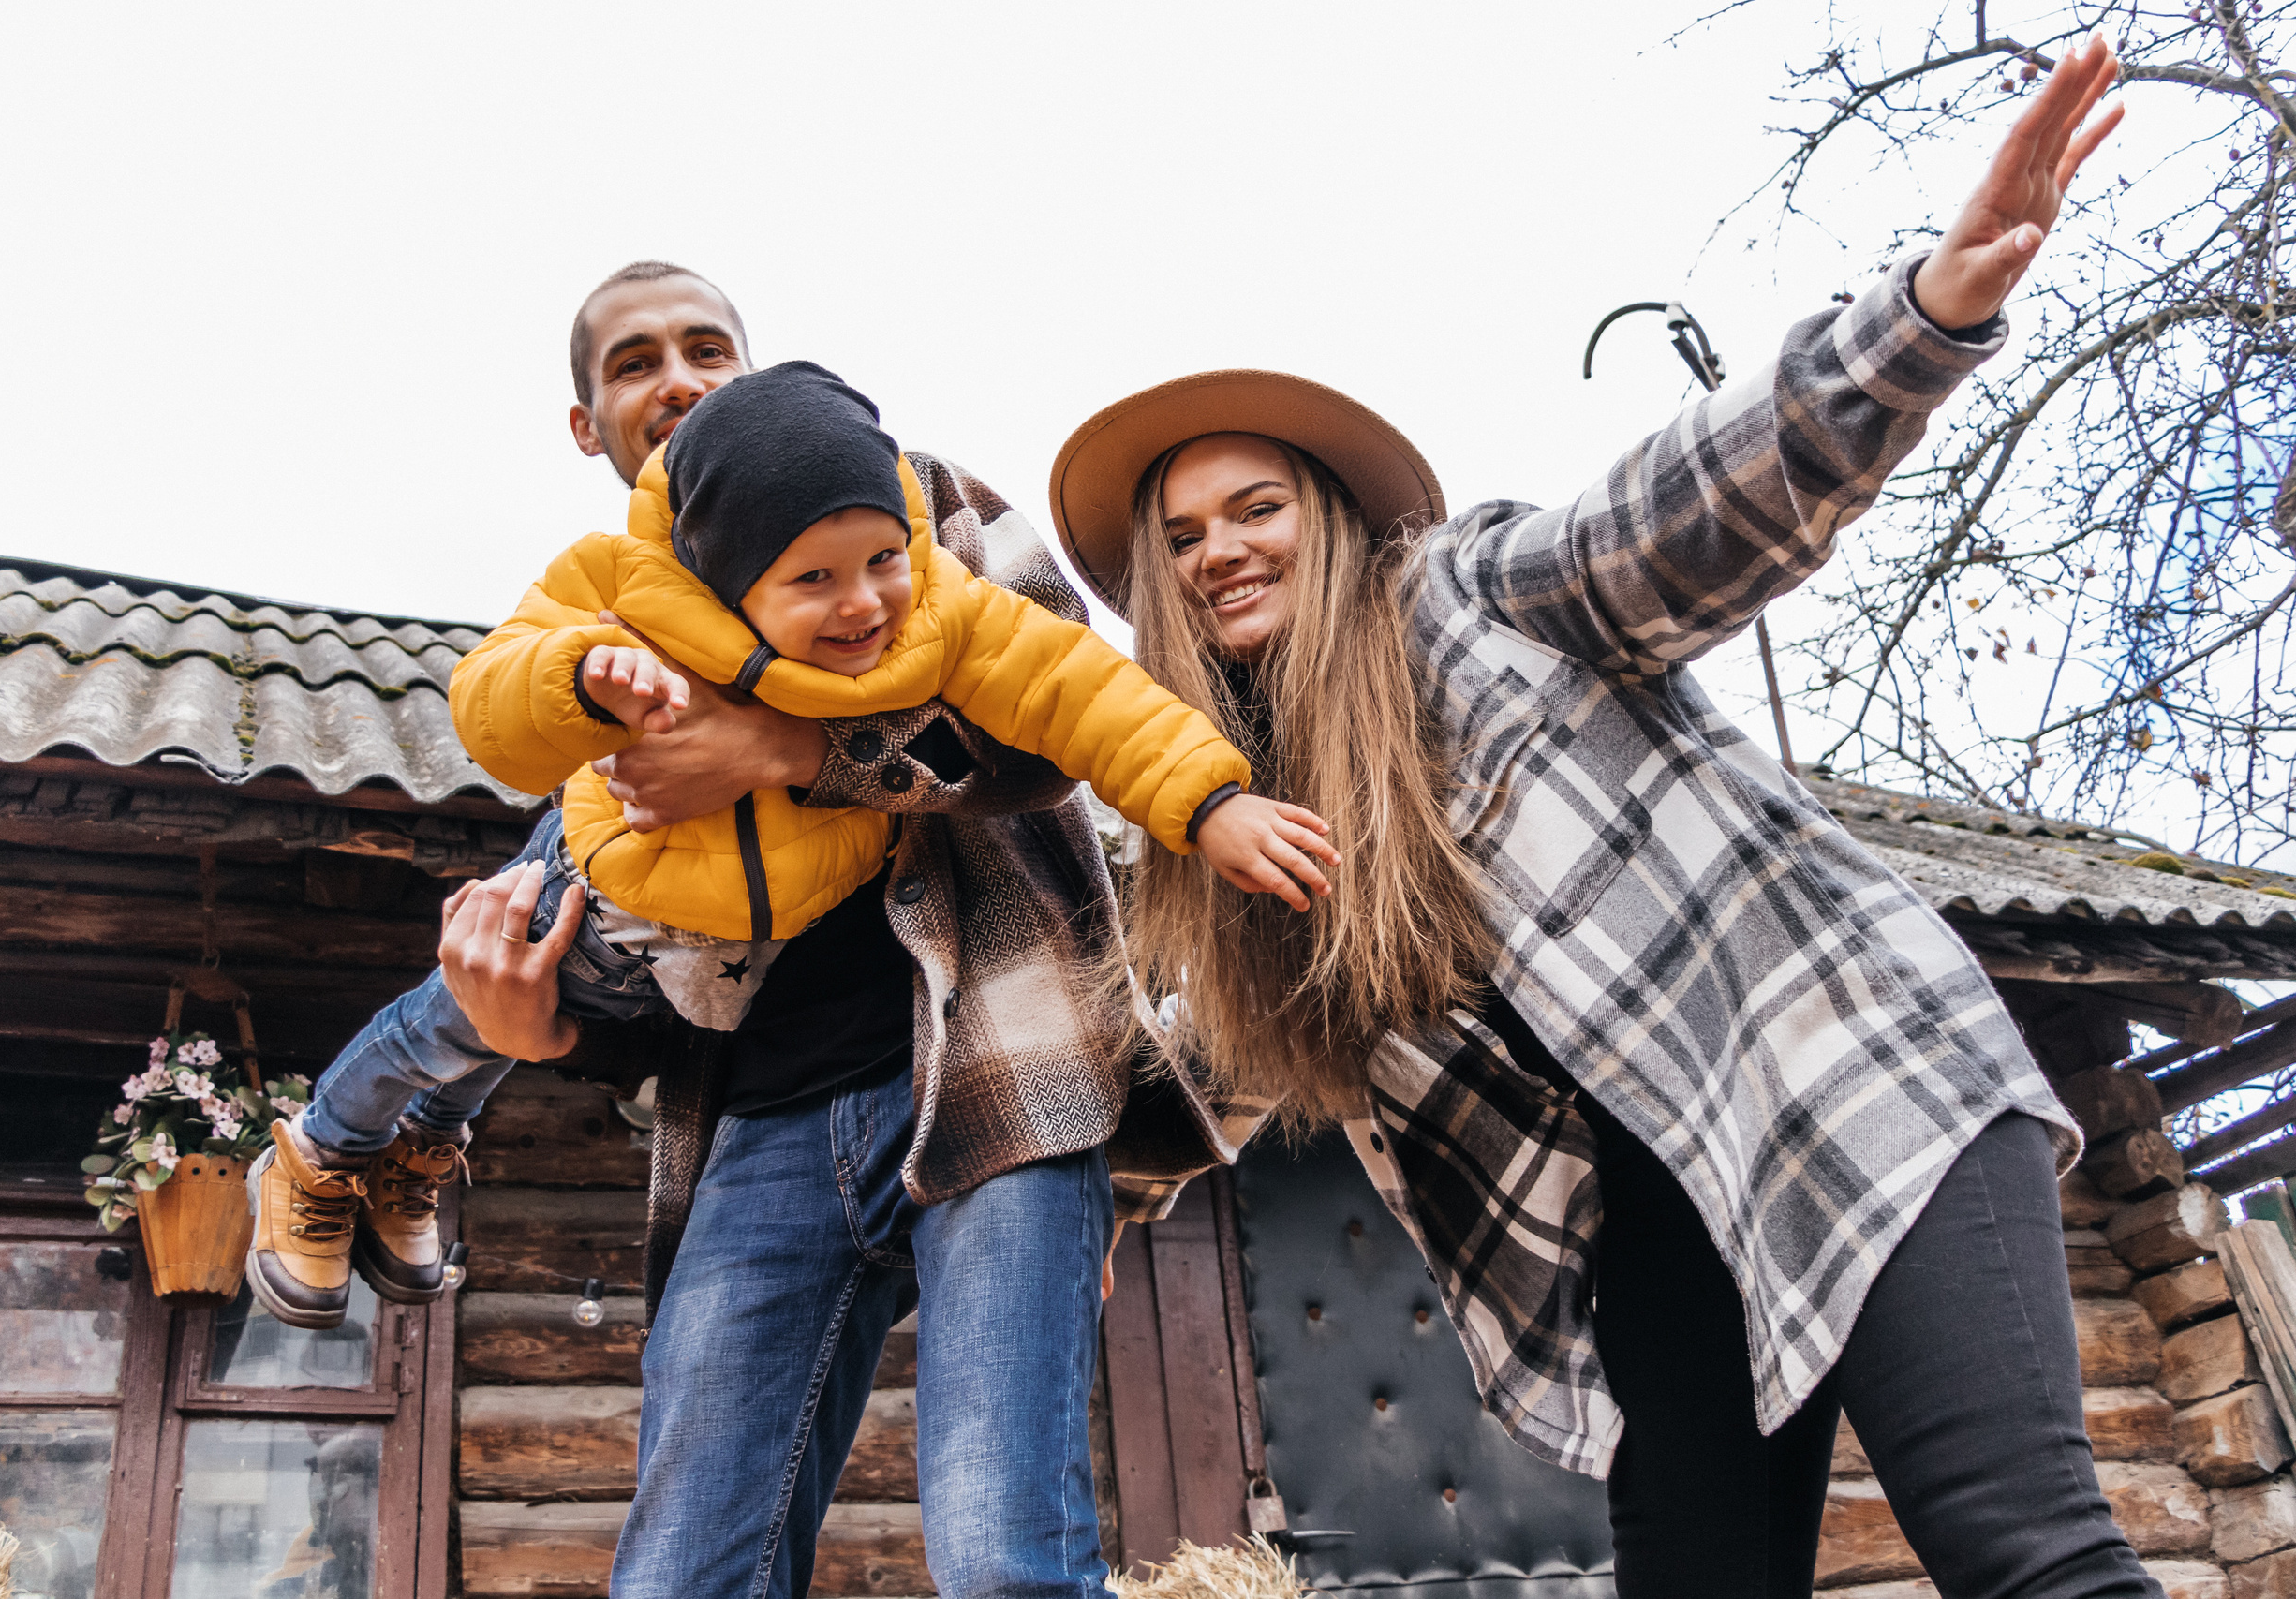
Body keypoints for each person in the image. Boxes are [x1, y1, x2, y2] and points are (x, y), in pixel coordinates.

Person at [1051, 39, 2149, 1599]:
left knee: (2020, 1547)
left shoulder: (1470, 596)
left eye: (1256, 507)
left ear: (1331, 515)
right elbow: (1179, 1064)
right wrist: (1065, 1206)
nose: (1223, 548)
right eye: (1185, 537)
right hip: (1652, 1230)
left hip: (1840, 1078)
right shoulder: (1238, 858)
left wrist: (1925, 316)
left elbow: (1698, 502)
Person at [252, 261, 1229, 1599]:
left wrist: (791, 745)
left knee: (1009, 1560)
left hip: (994, 1059)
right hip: (759, 1128)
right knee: (682, 1577)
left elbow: (1053, 712)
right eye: (637, 361)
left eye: (707, 345)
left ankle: (358, 1127)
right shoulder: (614, 626)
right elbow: (650, 952)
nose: (681, 377)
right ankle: (366, 1126)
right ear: (590, 427)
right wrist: (542, 1026)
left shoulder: (911, 497)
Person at [452, 358, 1334, 1026]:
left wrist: (1211, 801)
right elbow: (491, 704)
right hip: (633, 927)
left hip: (842, 964)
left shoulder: (942, 590)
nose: (864, 602)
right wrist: (578, 678)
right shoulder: (623, 594)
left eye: (883, 560)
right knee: (489, 955)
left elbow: (1079, 689)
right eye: (813, 580)